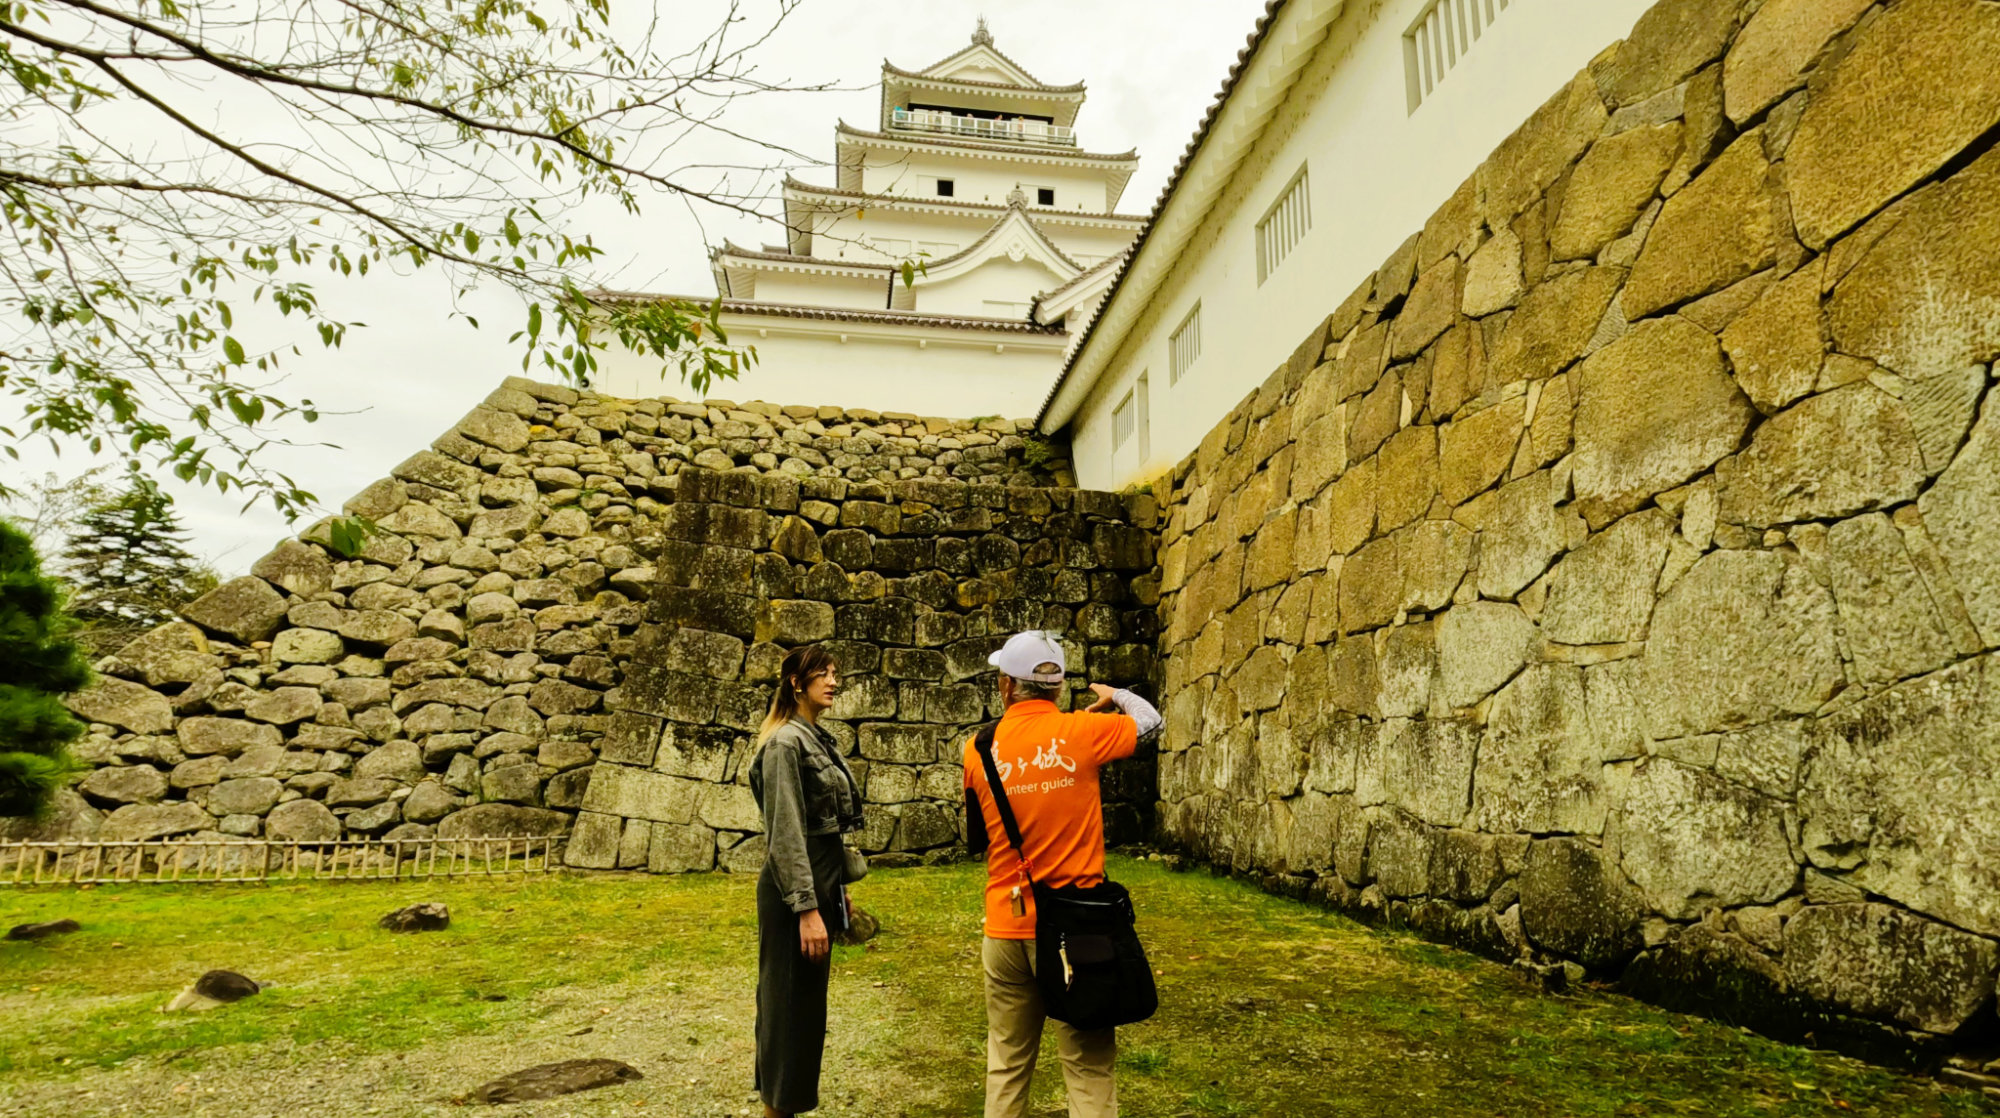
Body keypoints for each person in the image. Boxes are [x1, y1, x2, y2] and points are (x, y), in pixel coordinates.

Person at [962, 630, 1162, 1118]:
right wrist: (1115, 696)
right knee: (1089, 1067)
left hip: (1007, 925)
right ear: (1056, 687)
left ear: (1007, 687)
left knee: (1007, 1062)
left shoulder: (977, 747)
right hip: (1079, 933)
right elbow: (1150, 722)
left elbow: (977, 838)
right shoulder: (1083, 732)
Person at [748, 644, 865, 1118]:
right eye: (823, 673)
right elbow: (786, 832)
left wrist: (836, 892)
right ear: (797, 683)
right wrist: (807, 909)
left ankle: (785, 1107)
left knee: (804, 1015)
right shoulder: (784, 744)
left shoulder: (816, 737)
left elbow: (826, 831)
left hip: (818, 884)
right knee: (788, 1013)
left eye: (836, 673)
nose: (833, 681)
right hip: (793, 894)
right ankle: (777, 1110)